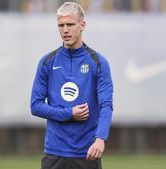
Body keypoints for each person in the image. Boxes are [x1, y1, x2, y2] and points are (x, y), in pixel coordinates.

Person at [30, 2, 113, 169]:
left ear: (82, 25)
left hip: (87, 153)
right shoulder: (47, 62)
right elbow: (35, 106)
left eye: (70, 24)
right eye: (61, 25)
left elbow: (106, 105)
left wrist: (100, 139)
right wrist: (69, 113)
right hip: (55, 153)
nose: (65, 30)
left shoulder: (98, 62)